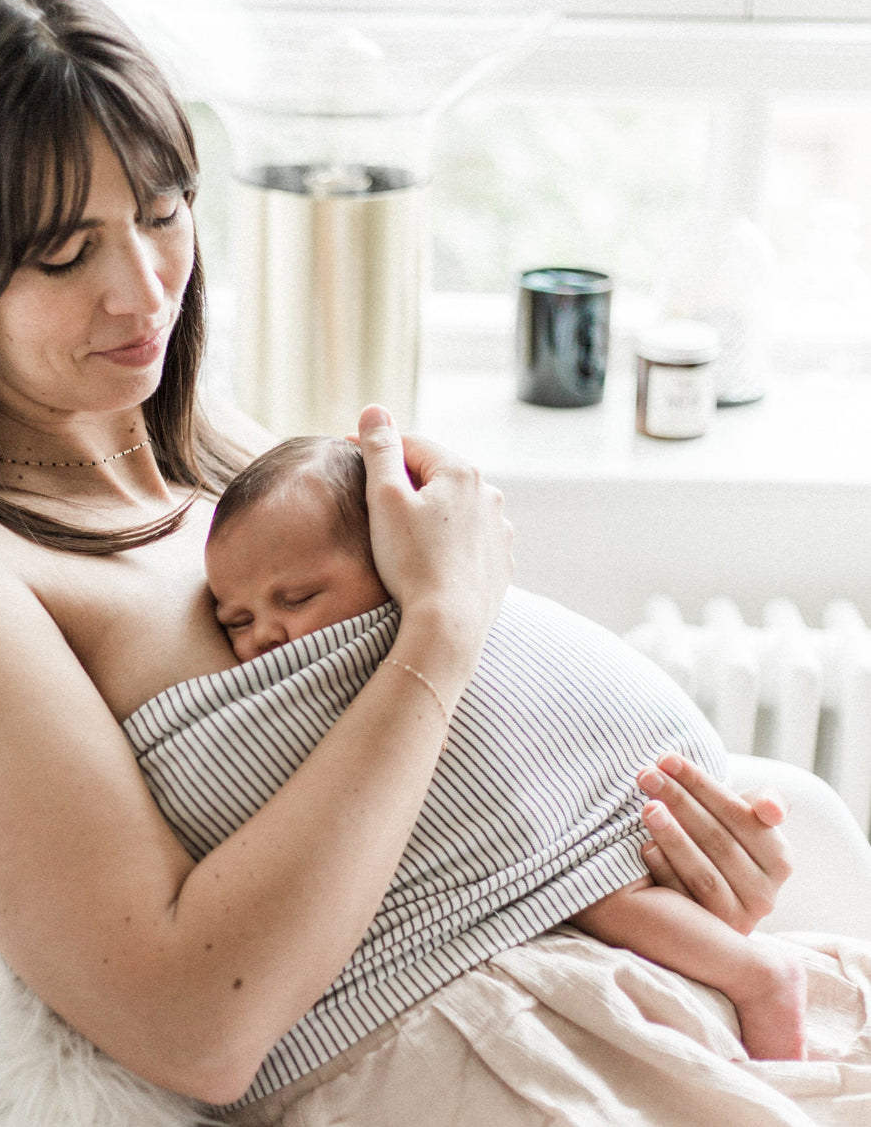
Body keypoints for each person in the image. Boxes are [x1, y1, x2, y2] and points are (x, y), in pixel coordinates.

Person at [0, 0, 861, 1126]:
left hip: (631, 990)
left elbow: (444, 791)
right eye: (65, 253)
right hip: (489, 1064)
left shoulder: (207, 444)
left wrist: (661, 854)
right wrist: (440, 627)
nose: (144, 290)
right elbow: (193, 1021)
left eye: (163, 213)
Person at [203, 435, 807, 1062]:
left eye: (296, 599)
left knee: (605, 898)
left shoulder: (422, 623)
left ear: (393, 559)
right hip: (545, 835)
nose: (266, 636)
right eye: (236, 621)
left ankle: (762, 980)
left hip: (606, 809)